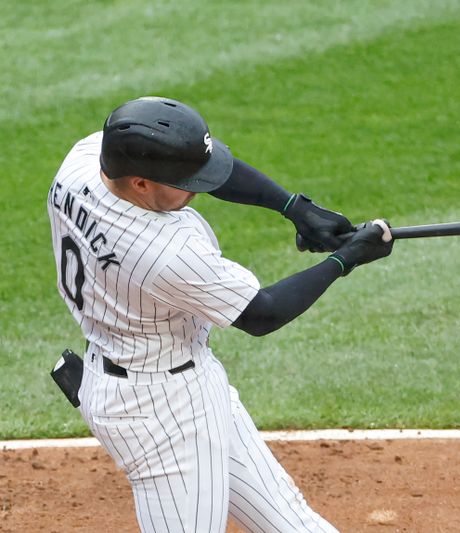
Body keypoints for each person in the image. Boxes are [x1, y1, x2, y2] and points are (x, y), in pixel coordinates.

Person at [46, 96, 393, 532]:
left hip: (166, 377)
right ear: (139, 183)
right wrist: (346, 258)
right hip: (159, 415)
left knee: (293, 524)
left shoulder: (80, 166)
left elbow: (199, 165)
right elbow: (261, 314)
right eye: (185, 181)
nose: (198, 189)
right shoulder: (163, 253)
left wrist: (292, 207)